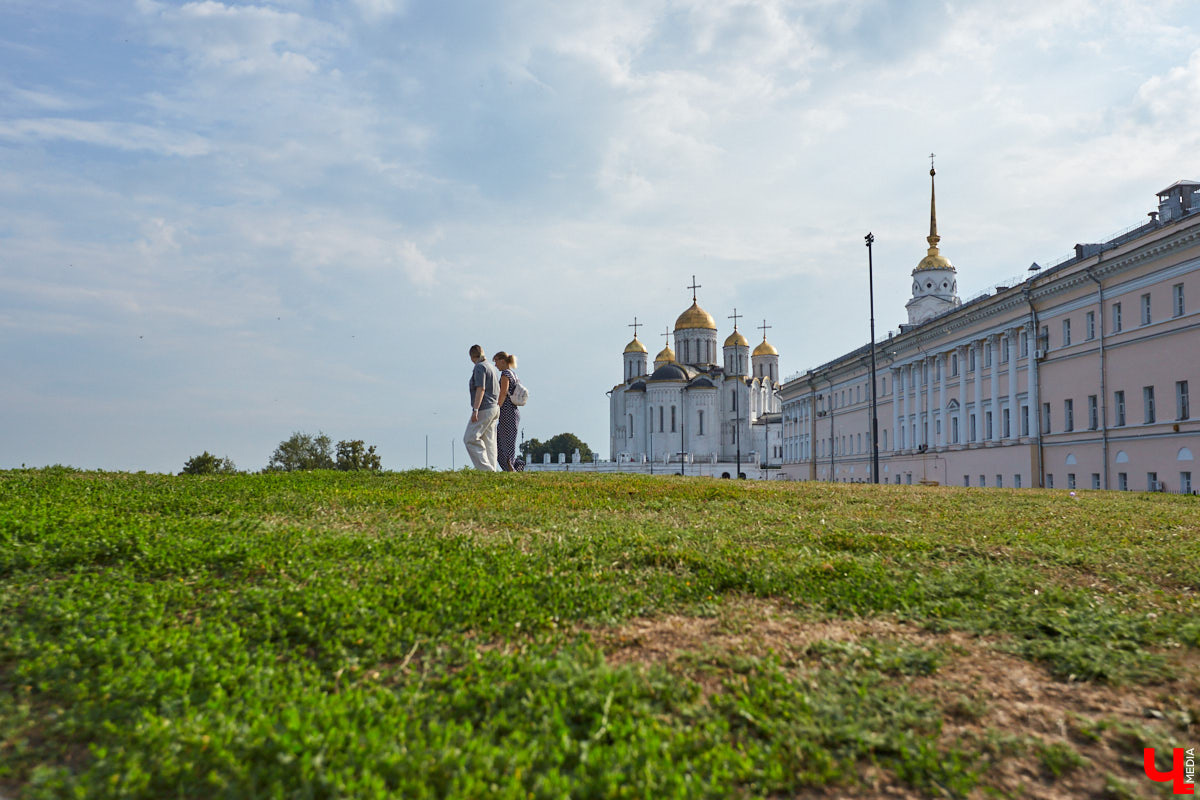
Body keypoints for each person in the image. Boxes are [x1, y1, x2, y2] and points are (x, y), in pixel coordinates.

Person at [464, 344, 501, 471]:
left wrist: (475, 410)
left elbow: (481, 389)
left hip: (484, 407)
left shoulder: (479, 367)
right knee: (489, 440)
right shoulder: (491, 367)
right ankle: (492, 470)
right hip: (495, 407)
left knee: (470, 438)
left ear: (472, 356)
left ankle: (486, 469)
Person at [493, 351, 522, 472]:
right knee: (507, 442)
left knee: (503, 443)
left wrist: (497, 407)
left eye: (496, 362)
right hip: (513, 412)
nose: (495, 365)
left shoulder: (505, 374)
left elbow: (503, 392)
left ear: (502, 361)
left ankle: (510, 468)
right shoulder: (513, 374)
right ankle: (512, 467)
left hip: (507, 412)